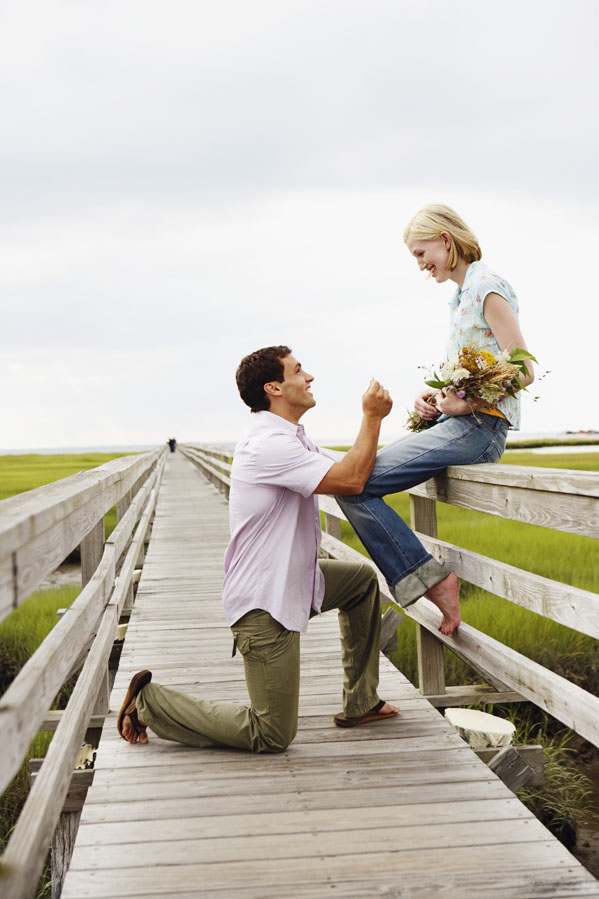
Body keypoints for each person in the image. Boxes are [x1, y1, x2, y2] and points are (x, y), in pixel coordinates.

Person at [119, 345, 398, 751]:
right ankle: (149, 703)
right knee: (271, 733)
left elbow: (358, 462)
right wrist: (371, 416)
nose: (310, 377)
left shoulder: (291, 438)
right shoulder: (268, 445)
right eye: (299, 371)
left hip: (295, 581)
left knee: (360, 582)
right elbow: (352, 479)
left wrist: (430, 428)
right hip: (263, 604)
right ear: (274, 387)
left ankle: (361, 701)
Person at [337, 204, 534, 636]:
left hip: (480, 429)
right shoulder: (462, 295)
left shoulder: (486, 287)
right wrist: (438, 397)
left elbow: (523, 369)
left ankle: (432, 580)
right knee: (354, 484)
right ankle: (428, 578)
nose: (421, 265)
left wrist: (464, 407)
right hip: (461, 424)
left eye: (420, 253)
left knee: (357, 484)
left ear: (446, 240)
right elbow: (476, 372)